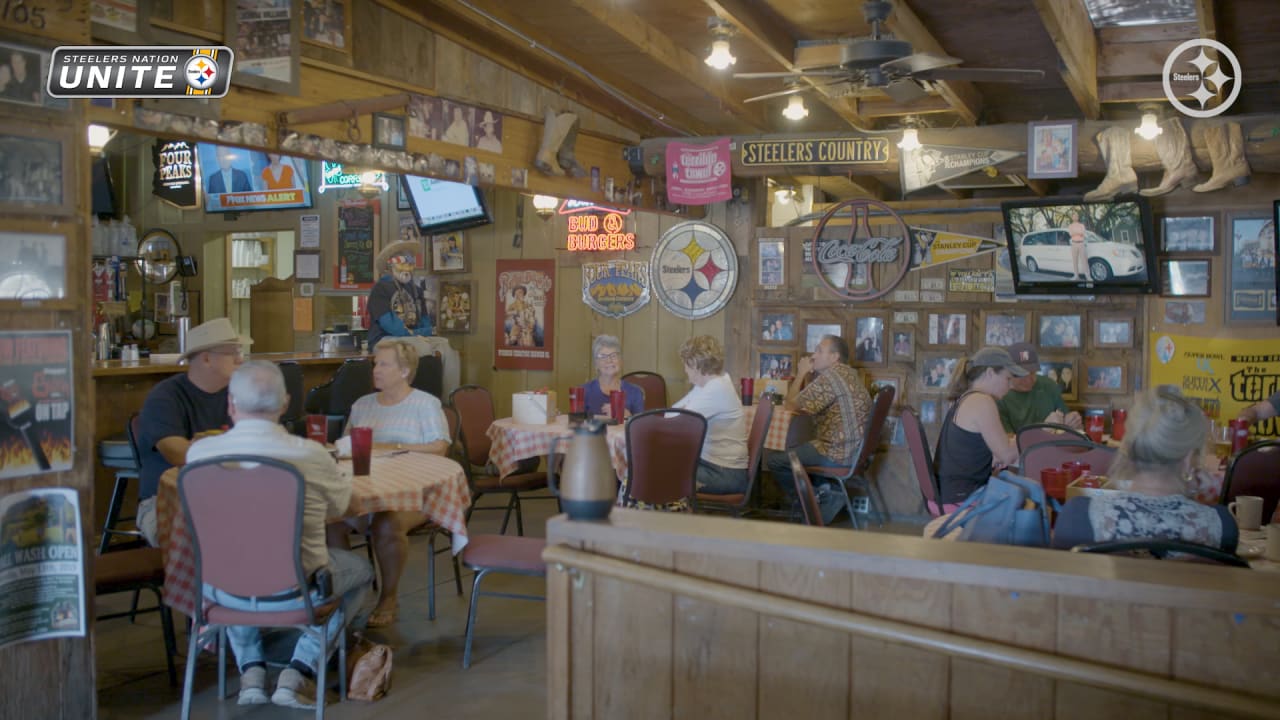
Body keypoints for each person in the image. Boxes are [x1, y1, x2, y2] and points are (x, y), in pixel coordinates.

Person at [188, 361, 374, 709]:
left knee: (236, 560)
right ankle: (299, 670)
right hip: (295, 592)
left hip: (219, 591)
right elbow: (349, 506)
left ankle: (251, 672)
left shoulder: (200, 454)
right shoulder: (310, 455)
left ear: (231, 403)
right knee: (361, 572)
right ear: (285, 403)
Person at [326, 339, 450, 628]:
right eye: (375, 364)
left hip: (416, 494)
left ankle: (389, 597)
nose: (376, 370)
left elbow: (440, 448)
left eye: (383, 364)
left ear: (405, 370)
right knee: (330, 518)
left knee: (386, 521)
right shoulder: (362, 405)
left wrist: (389, 445)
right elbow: (346, 447)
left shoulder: (425, 404)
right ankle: (345, 589)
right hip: (367, 490)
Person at [1052, 388, 1237, 552]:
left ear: (1127, 447)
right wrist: (1194, 496)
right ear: (1189, 459)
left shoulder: (1076, 519)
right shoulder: (1222, 527)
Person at [135, 318, 248, 546]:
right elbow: (179, 454)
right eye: (232, 352)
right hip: (166, 503)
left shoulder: (240, 394)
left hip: (231, 496)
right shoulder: (165, 397)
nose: (240, 359)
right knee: (222, 529)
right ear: (206, 358)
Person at [764, 335, 872, 524]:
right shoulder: (849, 374)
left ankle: (819, 500)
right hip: (855, 452)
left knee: (775, 460)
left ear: (834, 357)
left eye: (819, 351)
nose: (813, 356)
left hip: (837, 452)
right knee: (801, 448)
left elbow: (790, 405)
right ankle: (824, 493)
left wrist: (801, 373)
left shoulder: (831, 377)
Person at [936, 347, 1023, 507]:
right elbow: (1007, 456)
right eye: (1007, 379)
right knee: (1028, 504)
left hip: (950, 493)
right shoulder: (982, 401)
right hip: (963, 498)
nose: (1010, 386)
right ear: (990, 373)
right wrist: (1037, 434)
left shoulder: (966, 398)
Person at [672, 336, 749, 495]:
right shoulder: (710, 384)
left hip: (726, 474)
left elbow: (677, 422)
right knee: (660, 466)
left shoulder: (716, 388)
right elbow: (672, 413)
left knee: (656, 472)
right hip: (715, 466)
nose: (685, 370)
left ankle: (663, 517)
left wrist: (683, 411)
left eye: (685, 364)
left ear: (694, 364)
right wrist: (683, 410)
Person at [996, 342, 1082, 433]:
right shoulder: (999, 395)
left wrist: (1072, 422)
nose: (1029, 379)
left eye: (1032, 372)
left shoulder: (1049, 385)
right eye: (1022, 374)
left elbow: (1066, 423)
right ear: (1008, 371)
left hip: (1054, 446)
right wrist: (1044, 430)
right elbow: (1007, 443)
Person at [366, 240, 432, 350]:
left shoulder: (417, 290)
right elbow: (391, 326)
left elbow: (427, 324)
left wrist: (418, 333)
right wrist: (415, 335)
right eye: (402, 263)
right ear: (390, 265)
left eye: (410, 264)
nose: (407, 268)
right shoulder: (380, 288)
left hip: (414, 337)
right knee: (423, 347)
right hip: (384, 340)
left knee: (443, 344)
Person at [582, 335, 644, 418]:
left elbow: (641, 427)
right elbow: (576, 426)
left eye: (613, 355)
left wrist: (628, 416)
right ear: (596, 364)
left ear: (620, 361)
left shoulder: (635, 392)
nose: (609, 360)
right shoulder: (584, 391)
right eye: (603, 357)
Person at [1067, 212, 1089, 280]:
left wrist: (1076, 232)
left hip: (1081, 243)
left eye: (1076, 216)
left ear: (1078, 217)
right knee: (1075, 261)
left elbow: (1083, 233)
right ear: (1072, 217)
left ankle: (1088, 276)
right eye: (1074, 216)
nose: (1075, 217)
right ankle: (1076, 276)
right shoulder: (1070, 226)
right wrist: (1078, 232)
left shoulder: (1081, 225)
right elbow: (1071, 234)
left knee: (1084, 261)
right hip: (1074, 244)